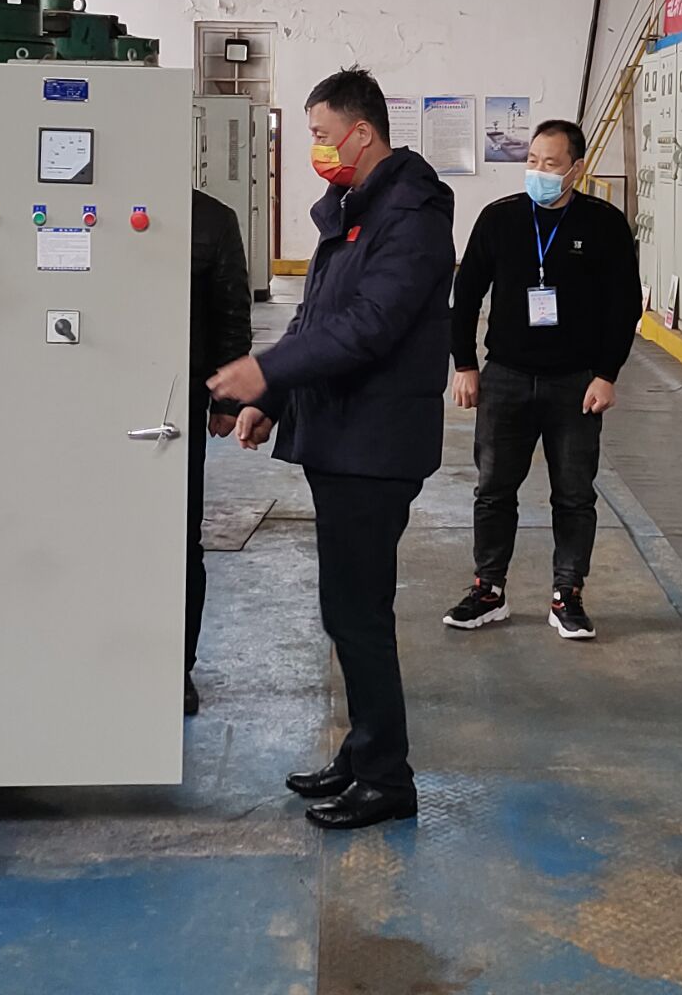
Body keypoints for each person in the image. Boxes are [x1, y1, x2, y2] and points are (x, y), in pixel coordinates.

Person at [209, 67, 454, 831]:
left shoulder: (410, 216)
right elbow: (318, 316)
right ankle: (362, 751)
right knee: (346, 610)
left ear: (362, 132)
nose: (315, 147)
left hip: (374, 446)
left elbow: (369, 327)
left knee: (357, 613)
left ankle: (386, 778)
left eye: (320, 134)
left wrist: (265, 371)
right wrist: (274, 399)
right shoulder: (356, 211)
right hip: (343, 436)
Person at [445, 119, 643, 640]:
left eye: (551, 164)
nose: (538, 171)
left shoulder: (604, 224)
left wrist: (607, 374)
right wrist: (464, 364)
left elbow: (624, 305)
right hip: (505, 378)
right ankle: (489, 589)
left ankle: (567, 595)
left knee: (574, 495)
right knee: (493, 490)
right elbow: (465, 295)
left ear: (576, 169)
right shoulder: (500, 218)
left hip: (575, 385)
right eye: (532, 161)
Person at [187, 187, 253, 716]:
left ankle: (177, 667)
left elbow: (232, 311)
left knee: (181, 540)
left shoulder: (209, 219)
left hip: (176, 406)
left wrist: (227, 400)